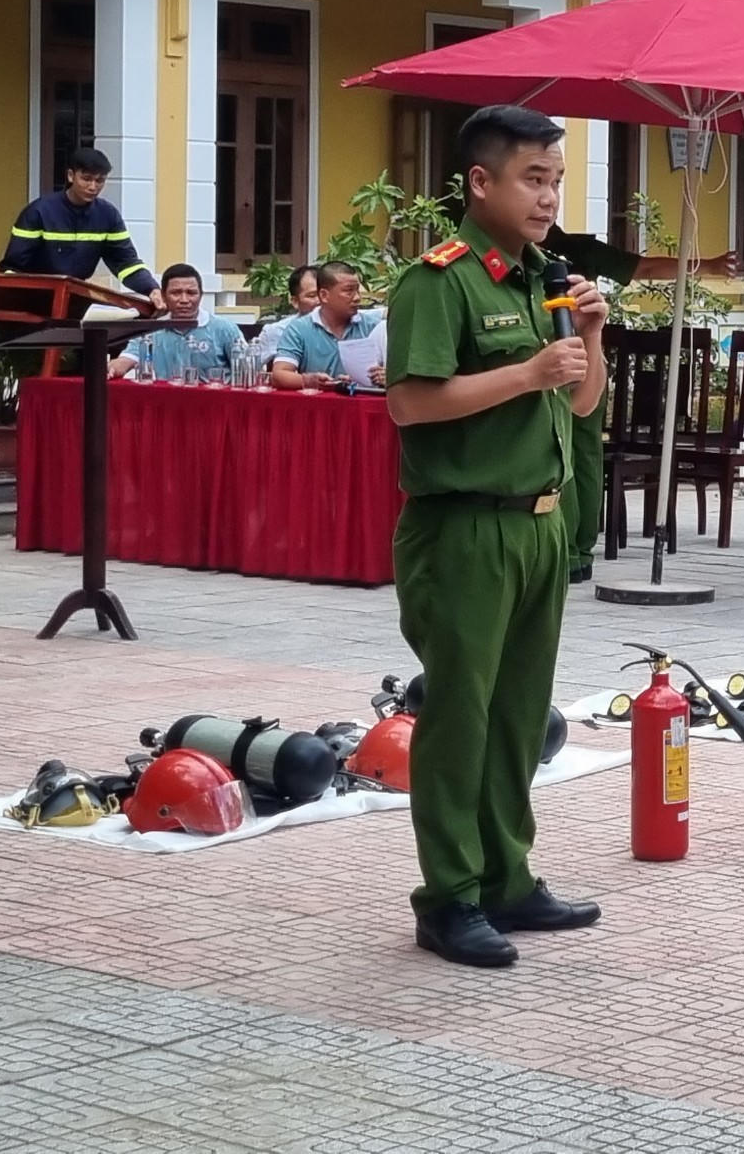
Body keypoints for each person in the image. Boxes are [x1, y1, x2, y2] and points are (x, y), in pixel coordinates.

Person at [382, 105, 606, 969]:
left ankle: (508, 877)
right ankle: (449, 897)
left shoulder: (543, 278)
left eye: (556, 181)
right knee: (460, 717)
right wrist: (527, 370)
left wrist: (588, 337)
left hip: (540, 522)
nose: (548, 198)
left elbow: (577, 402)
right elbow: (410, 403)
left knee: (518, 715)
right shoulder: (441, 280)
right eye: (532, 179)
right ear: (481, 182)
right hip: (465, 527)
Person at [0, 148, 161, 303]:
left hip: (76, 298)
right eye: (86, 179)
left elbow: (126, 264)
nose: (93, 187)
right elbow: (12, 268)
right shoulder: (38, 212)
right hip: (34, 299)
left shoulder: (108, 215)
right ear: (71, 176)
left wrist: (151, 289)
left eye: (100, 181)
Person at [110, 264, 244, 381]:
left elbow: (247, 369)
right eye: (176, 293)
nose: (184, 300)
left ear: (201, 295)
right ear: (163, 296)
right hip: (169, 400)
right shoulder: (151, 330)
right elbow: (126, 360)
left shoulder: (224, 329)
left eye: (191, 293)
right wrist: (111, 369)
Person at [270, 262, 382, 390]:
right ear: (324, 295)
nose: (357, 298)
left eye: (357, 291)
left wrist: (385, 376)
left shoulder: (373, 327)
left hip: (364, 401)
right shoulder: (299, 329)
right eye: (348, 291)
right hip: (317, 401)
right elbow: (279, 375)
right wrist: (310, 380)